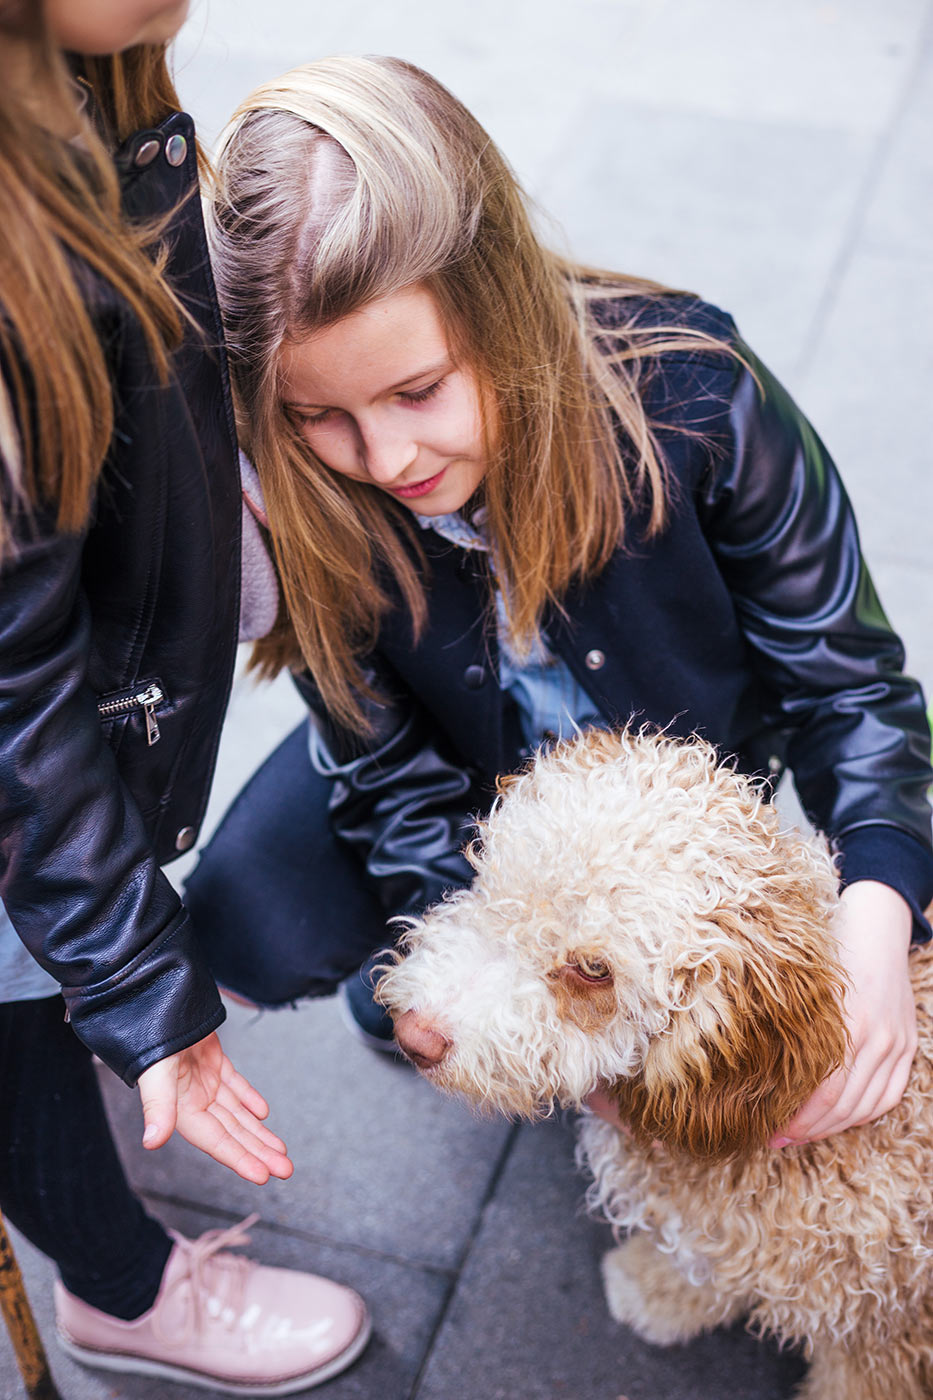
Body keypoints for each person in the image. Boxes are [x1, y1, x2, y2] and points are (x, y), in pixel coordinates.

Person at [186, 53, 933, 1157]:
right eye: (318, 415)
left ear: (500, 305)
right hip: (465, 772)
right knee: (247, 916)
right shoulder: (308, 497)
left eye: (418, 390)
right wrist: (489, 986)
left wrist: (877, 920)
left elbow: (851, 688)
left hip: (665, 792)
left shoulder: (700, 397)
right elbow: (390, 772)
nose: (384, 457)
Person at [0, 3, 369, 1390]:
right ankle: (119, 1288)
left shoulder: (89, 84)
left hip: (74, 721)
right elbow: (12, 705)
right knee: (20, 1002)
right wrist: (141, 991)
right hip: (25, 780)